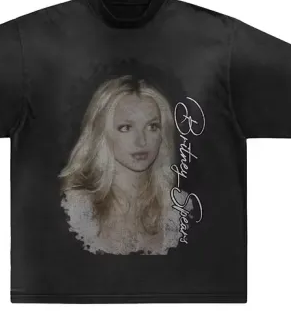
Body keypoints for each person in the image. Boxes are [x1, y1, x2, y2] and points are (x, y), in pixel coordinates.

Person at [58, 74, 194, 254]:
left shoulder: (180, 210)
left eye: (152, 126)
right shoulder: (72, 210)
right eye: (126, 128)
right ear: (101, 133)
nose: (141, 141)